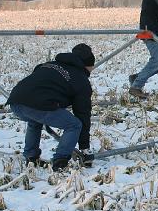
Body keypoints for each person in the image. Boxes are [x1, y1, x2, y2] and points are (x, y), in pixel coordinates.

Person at [8, 43, 95, 171]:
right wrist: (84, 147)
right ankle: (60, 162)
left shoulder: (49, 64)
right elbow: (82, 114)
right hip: (37, 105)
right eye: (91, 68)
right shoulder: (81, 80)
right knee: (74, 125)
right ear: (86, 66)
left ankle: (31, 158)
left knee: (35, 120)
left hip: (15, 102)